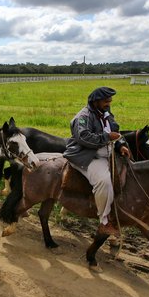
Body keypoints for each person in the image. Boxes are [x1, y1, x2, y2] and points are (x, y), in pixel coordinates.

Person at [63, 86, 130, 236]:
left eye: (110, 100)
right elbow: (84, 137)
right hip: (87, 156)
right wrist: (107, 138)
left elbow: (115, 131)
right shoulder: (83, 116)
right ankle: (104, 221)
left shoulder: (106, 113)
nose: (109, 102)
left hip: (106, 153)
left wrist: (120, 145)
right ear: (96, 101)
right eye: (106, 100)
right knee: (104, 181)